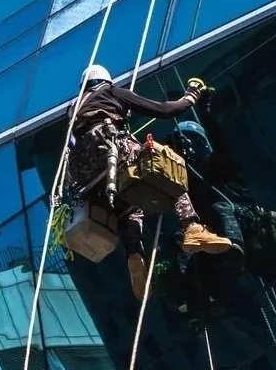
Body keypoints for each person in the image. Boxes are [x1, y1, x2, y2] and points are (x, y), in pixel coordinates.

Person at [68, 65, 232, 299]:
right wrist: (191, 95)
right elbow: (164, 110)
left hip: (86, 173)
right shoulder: (112, 92)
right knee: (168, 167)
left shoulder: (73, 109)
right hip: (111, 149)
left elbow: (71, 144)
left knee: (129, 208)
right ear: (106, 80)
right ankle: (191, 227)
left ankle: (135, 257)